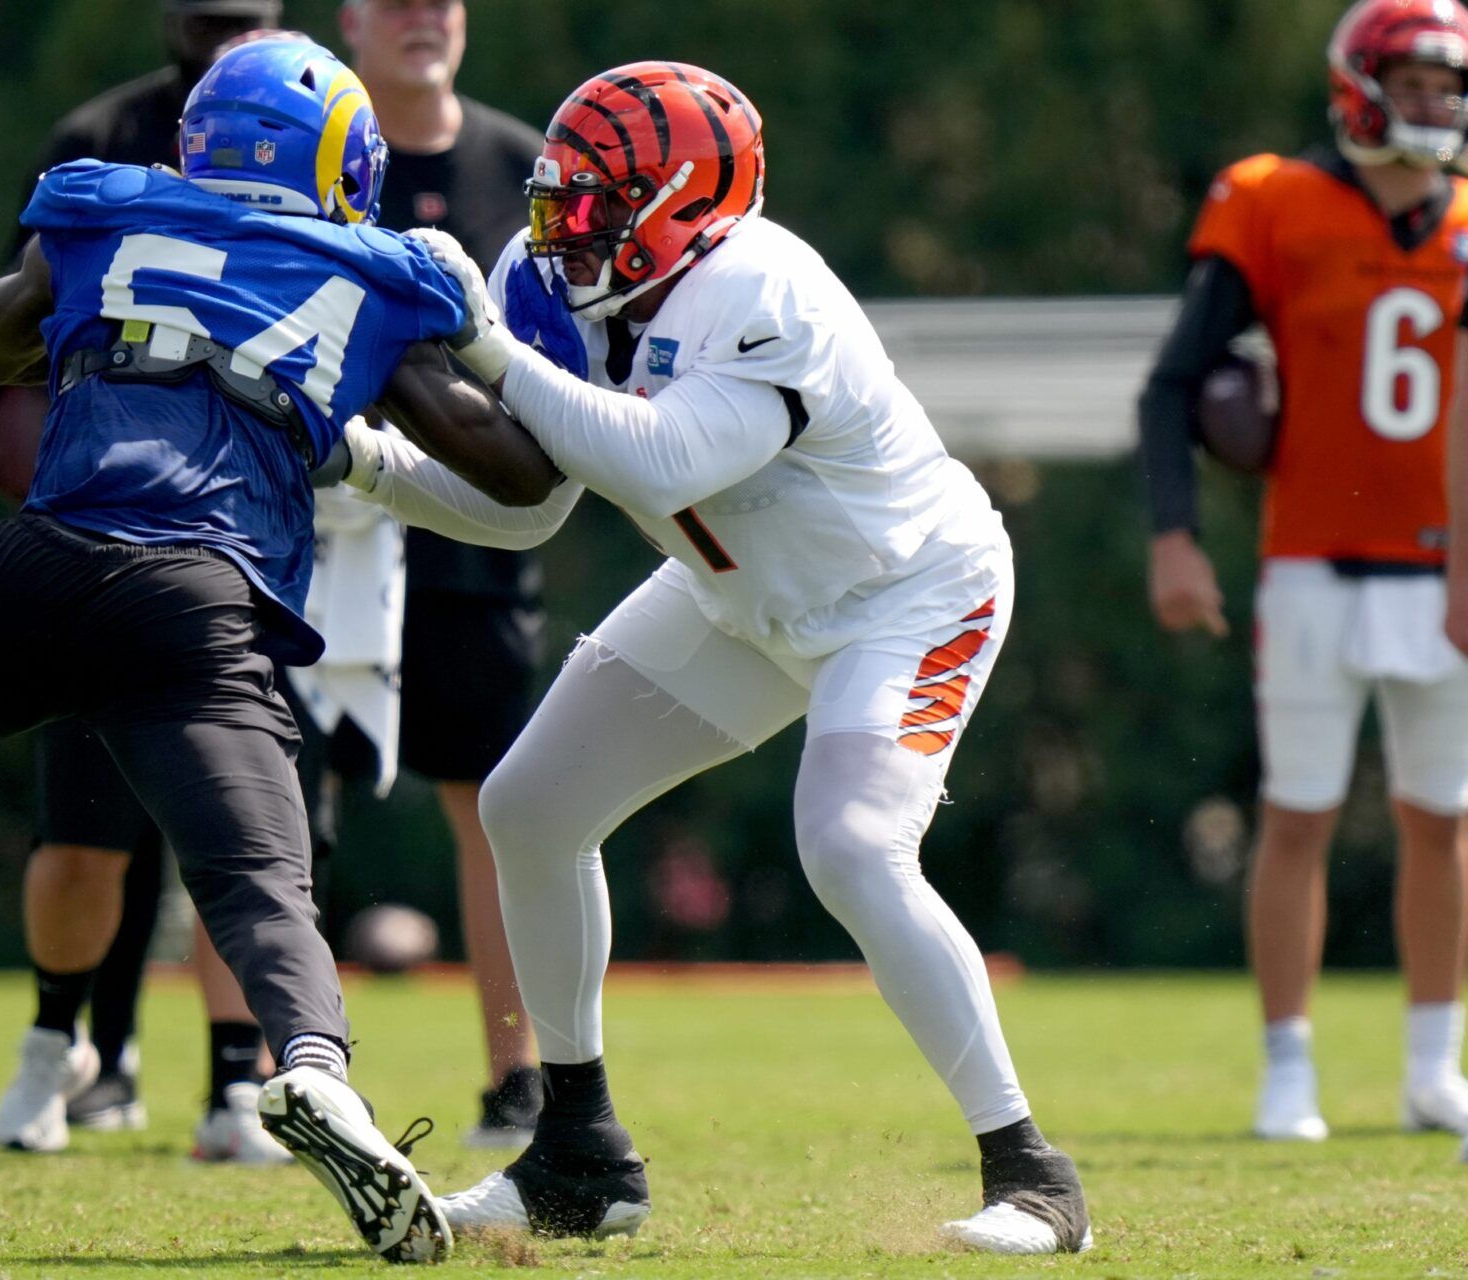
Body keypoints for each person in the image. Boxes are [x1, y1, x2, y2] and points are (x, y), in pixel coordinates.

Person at [0, 38, 555, 1264]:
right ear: (338, 160)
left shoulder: (103, 207)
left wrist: (104, 320)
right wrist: (465, 338)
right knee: (257, 881)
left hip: (40, 559)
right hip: (194, 604)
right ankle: (316, 1073)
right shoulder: (374, 272)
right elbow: (510, 471)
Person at [329, 59, 1093, 1254]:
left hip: (906, 592)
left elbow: (659, 462)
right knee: (528, 805)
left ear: (685, 202)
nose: (558, 226)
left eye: (596, 199)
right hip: (739, 594)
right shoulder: (544, 280)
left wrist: (486, 349)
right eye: (557, 193)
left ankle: (1035, 1173)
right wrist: (364, 463)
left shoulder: (764, 286)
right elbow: (529, 504)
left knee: (850, 846)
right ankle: (578, 1153)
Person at [0, 0, 303, 1158]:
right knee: (79, 827)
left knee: (248, 834)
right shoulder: (98, 142)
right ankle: (54, 1045)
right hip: (108, 519)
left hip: (252, 540)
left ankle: (236, 1082)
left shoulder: (324, 123)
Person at [1139, 0, 1468, 1143]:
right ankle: (1289, 1067)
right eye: (1417, 83)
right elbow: (1174, 381)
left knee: (1444, 820)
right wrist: (1173, 536)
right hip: (1312, 562)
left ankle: (1436, 1063)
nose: (1436, 104)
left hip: (1445, 567)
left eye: (1447, 85)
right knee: (1299, 815)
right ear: (1360, 85)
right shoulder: (1276, 198)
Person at [337, 0, 546, 1146]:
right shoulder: (309, 151)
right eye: (396, 0)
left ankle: (520, 1077)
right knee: (275, 799)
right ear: (349, 20)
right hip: (314, 521)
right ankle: (273, 1074)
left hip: (471, 533)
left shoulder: (525, 166)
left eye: (443, 0)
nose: (424, 18)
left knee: (503, 807)